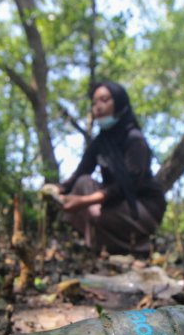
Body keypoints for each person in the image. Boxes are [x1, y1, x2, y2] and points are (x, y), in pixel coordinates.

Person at [58, 81, 166, 255]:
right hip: (112, 203)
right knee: (83, 182)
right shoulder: (101, 142)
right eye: (94, 103)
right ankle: (101, 243)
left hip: (141, 207)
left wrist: (85, 202)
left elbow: (129, 185)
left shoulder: (134, 139)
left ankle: (138, 245)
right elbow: (81, 173)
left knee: (95, 215)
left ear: (120, 103)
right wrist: (58, 189)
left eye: (104, 100)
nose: (97, 107)